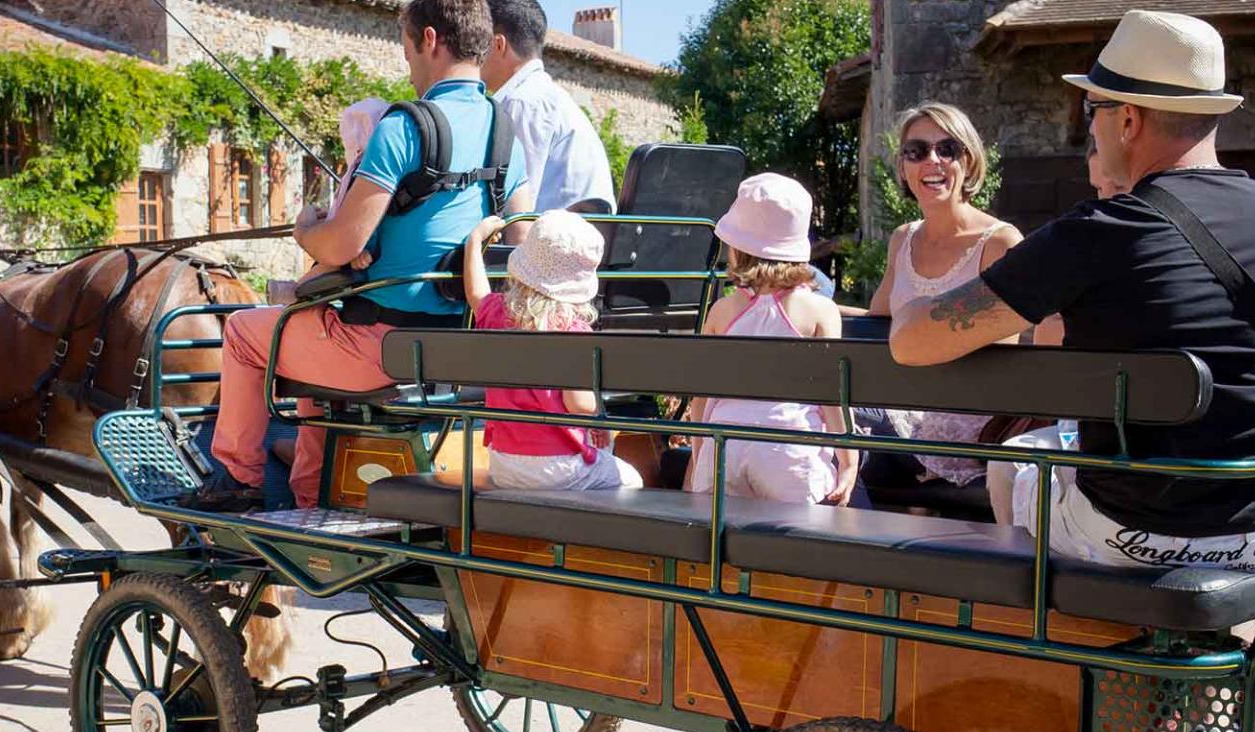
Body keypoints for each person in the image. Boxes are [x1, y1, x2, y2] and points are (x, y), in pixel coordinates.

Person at [890, 9, 1255, 576]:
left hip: (1139, 530)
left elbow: (911, 343)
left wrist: (916, 307)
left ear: (1126, 120)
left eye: (1091, 110)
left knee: (1015, 468)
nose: (1089, 127)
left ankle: (1045, 648)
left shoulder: (1102, 231)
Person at [203, 0, 530, 510]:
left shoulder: (404, 127)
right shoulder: (505, 133)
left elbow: (343, 244)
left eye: (406, 52)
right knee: (308, 333)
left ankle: (236, 481)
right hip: (462, 348)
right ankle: (311, 491)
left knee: (245, 331)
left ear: (429, 39)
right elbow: (519, 245)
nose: (410, 66)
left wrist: (307, 229)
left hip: (382, 350)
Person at [867, 103, 1029, 493]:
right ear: (904, 166)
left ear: (968, 162)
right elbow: (876, 320)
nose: (932, 161)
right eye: (917, 151)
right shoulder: (902, 239)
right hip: (903, 411)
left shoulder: (1000, 243)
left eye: (948, 149)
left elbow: (1002, 350)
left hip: (965, 423)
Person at [685, 174, 856, 505]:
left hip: (724, 447)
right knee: (796, 546)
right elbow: (832, 397)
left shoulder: (722, 311)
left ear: (736, 248)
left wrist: (699, 456)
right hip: (788, 448)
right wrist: (849, 462)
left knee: (724, 548)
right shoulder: (819, 311)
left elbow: (700, 399)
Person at [461, 209, 641, 489]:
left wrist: (474, 242)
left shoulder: (497, 313)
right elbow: (579, 405)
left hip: (504, 464)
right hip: (559, 466)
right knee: (631, 480)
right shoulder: (574, 332)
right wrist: (599, 416)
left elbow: (476, 293)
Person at [482, 0, 616, 217]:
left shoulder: (523, 103)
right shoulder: (549, 96)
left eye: (479, 43)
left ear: (498, 45)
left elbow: (518, 209)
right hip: (578, 240)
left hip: (553, 244)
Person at [271, 97, 389, 304]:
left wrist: (357, 248)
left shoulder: (366, 170)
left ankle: (297, 291)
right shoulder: (383, 165)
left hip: (356, 248)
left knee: (329, 263)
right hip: (359, 244)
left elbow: (368, 215)